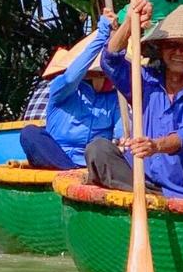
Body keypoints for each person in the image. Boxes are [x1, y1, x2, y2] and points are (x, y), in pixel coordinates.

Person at [85, 2, 183, 200]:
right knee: (98, 148)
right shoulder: (144, 81)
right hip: (135, 180)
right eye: (171, 45)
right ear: (161, 49)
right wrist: (129, 24)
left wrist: (156, 146)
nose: (178, 52)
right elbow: (110, 61)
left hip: (181, 193)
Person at [20, 12, 122, 170]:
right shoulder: (62, 88)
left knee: (101, 146)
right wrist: (103, 34)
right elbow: (71, 78)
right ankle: (70, 170)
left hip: (94, 162)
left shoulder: (115, 99)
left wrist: (123, 141)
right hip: (56, 158)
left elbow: (122, 130)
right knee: (30, 133)